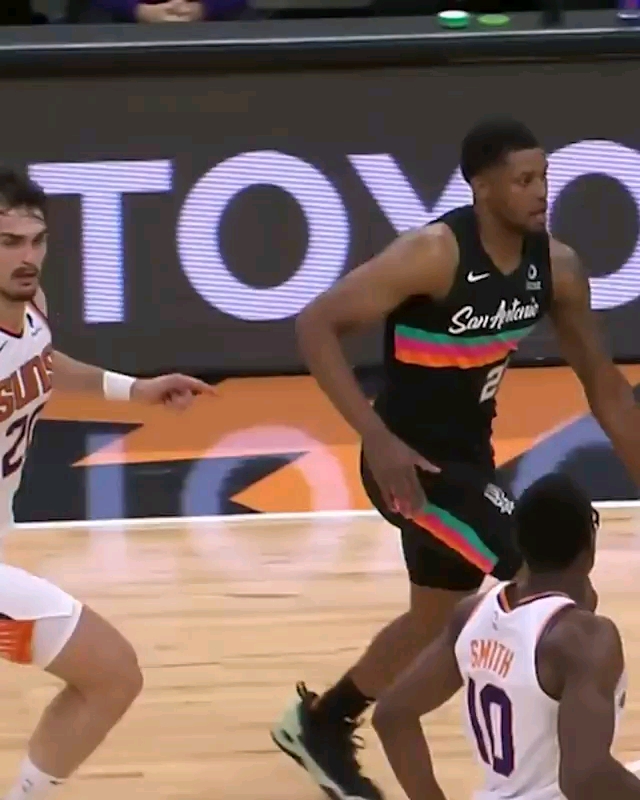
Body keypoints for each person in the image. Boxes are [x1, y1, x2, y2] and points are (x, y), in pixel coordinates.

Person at [271, 116, 640, 800]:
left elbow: (607, 388)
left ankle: (322, 723)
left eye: (544, 177)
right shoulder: (433, 254)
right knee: (556, 587)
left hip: (469, 459)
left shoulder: (555, 267)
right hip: (409, 465)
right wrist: (375, 437)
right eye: (523, 180)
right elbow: (315, 323)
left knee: (433, 617)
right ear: (482, 188)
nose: (540, 192)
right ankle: (550, 776)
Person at [0, 167, 213, 800]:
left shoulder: (29, 306)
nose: (27, 257)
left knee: (109, 677)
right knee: (112, 674)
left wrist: (134, 390)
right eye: (8, 242)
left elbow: (41, 361)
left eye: (37, 240)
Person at [372, 473, 631, 800]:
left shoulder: (473, 613)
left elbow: (392, 714)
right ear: (589, 546)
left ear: (520, 543)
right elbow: (585, 778)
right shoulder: (584, 640)